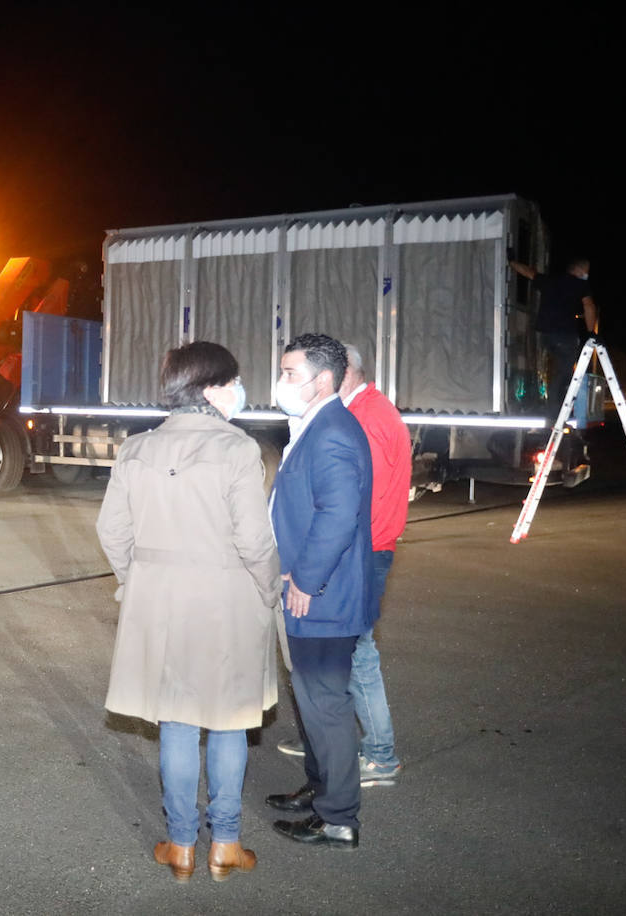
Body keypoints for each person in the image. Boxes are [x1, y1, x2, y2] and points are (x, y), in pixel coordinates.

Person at [96, 341, 283, 882]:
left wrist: (138, 581)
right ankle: (225, 844)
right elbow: (254, 539)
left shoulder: (136, 449)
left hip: (159, 603)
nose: (238, 391)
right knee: (228, 722)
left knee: (176, 721)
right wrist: (269, 590)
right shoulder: (237, 449)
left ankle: (180, 846)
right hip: (227, 602)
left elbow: (112, 531)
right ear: (210, 389)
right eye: (233, 382)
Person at [278, 346, 412, 785]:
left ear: (340, 374)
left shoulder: (362, 418)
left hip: (361, 553)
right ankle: (325, 737)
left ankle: (378, 753)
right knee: (343, 662)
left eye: (293, 374)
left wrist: (310, 569)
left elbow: (344, 505)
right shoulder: (371, 411)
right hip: (365, 548)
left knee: (355, 658)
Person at [265, 332, 375, 850]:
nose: (281, 382)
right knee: (312, 702)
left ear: (324, 380)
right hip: (312, 592)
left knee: (326, 706)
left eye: (290, 373)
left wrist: (307, 578)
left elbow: (338, 515)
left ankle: (337, 818)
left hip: (322, 598)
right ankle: (320, 787)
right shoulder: (315, 425)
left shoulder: (331, 432)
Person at [509, 258, 598, 412]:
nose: (586, 275)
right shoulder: (580, 285)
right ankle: (555, 410)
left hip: (545, 336)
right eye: (585, 271)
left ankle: (546, 404)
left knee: (551, 370)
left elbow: (529, 272)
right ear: (577, 270)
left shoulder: (550, 281)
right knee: (565, 373)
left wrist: (511, 262)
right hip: (565, 335)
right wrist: (591, 333)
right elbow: (589, 306)